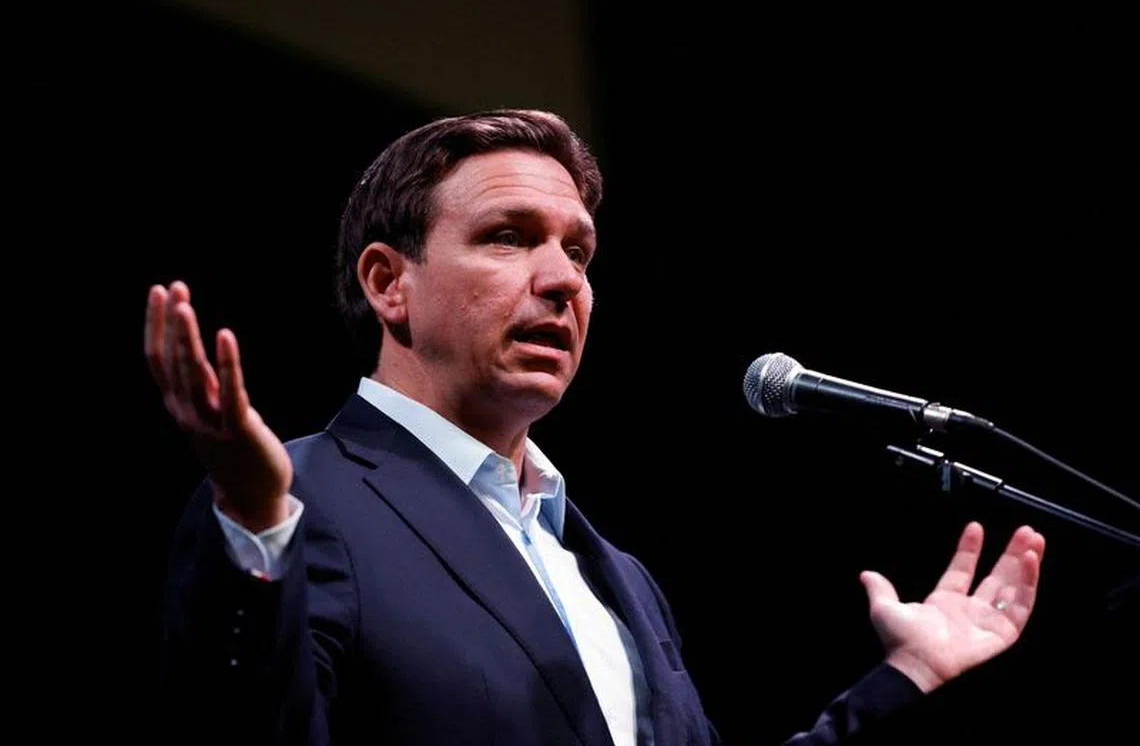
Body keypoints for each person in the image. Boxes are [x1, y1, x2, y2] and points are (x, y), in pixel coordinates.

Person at [148, 109, 1047, 745]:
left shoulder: (616, 576)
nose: (563, 281)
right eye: (509, 236)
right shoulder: (297, 504)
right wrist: (257, 524)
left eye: (577, 250)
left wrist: (907, 681)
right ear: (390, 283)